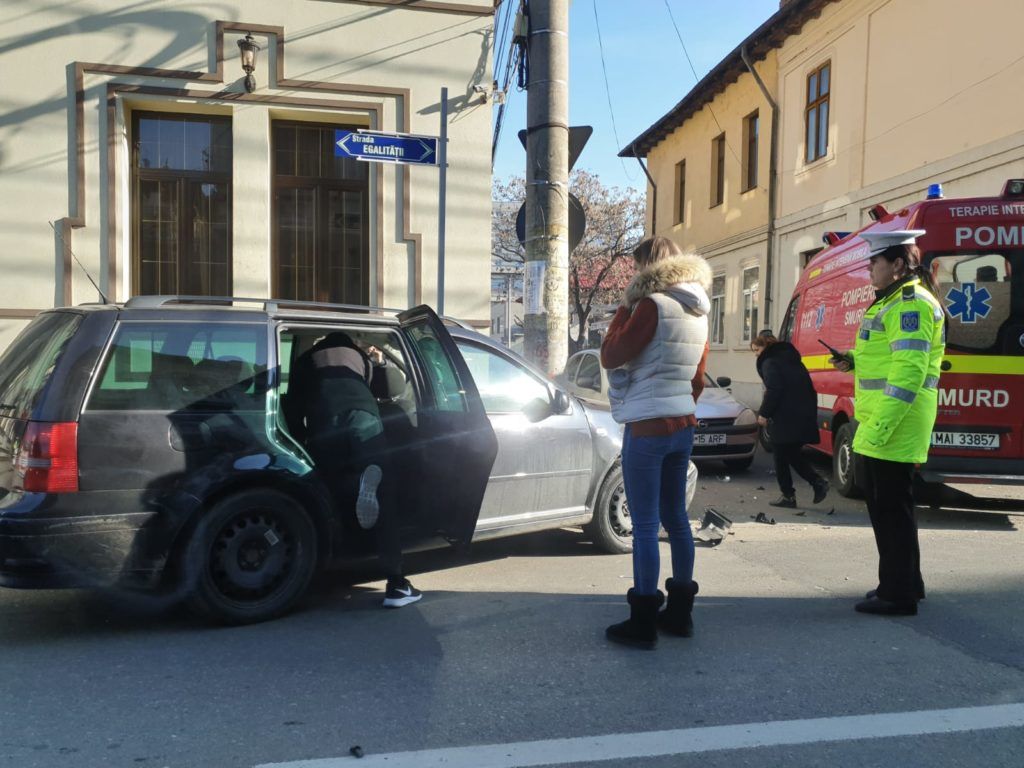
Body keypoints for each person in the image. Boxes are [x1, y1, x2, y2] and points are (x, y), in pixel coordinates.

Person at [600, 236, 711, 649]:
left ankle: (643, 621)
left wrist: (623, 312)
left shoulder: (650, 305)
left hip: (647, 425)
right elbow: (698, 376)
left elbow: (612, 355)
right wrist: (682, 404)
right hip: (683, 423)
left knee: (645, 525)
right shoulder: (698, 309)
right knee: (677, 518)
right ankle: (680, 614)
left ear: (646, 268)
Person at [831, 230, 945, 617]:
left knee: (889, 510)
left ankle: (897, 594)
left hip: (893, 423)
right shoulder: (893, 301)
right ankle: (905, 582)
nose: (869, 272)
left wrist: (879, 428)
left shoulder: (908, 306)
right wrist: (853, 359)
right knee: (895, 508)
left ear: (897, 265)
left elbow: (909, 373)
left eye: (873, 264)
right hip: (888, 420)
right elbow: (889, 359)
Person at [291, 332, 422, 608]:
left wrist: (300, 441)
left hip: (324, 424)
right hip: (363, 421)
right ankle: (397, 585)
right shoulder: (360, 358)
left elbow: (293, 406)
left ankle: (330, 564)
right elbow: (382, 392)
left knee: (329, 488)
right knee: (382, 494)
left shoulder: (304, 361)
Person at [751, 331, 828, 508]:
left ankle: (790, 495)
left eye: (756, 349)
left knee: (780, 455)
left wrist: (764, 413)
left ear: (765, 347)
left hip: (785, 416)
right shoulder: (792, 360)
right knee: (790, 453)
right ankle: (815, 484)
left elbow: (774, 390)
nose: (755, 354)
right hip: (802, 413)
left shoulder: (770, 362)